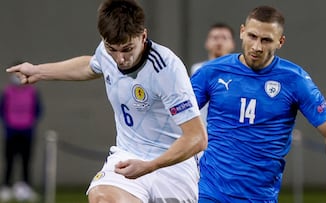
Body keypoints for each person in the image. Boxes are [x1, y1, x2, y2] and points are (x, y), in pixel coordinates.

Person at [6, 0, 207, 202]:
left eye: (127, 49)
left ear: (143, 36)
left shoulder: (167, 70)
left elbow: (197, 138)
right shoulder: (106, 52)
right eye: (112, 49)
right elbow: (90, 66)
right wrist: (38, 71)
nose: (119, 58)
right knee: (103, 198)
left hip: (172, 165)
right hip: (128, 154)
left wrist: (150, 166)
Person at [191, 5, 326, 203]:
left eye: (266, 40)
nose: (257, 47)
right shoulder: (211, 72)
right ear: (242, 32)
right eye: (252, 36)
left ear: (280, 41)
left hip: (260, 197)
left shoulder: (295, 79)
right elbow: (174, 118)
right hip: (209, 192)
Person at [0, 70, 42, 202]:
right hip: (11, 132)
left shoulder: (32, 92)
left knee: (26, 162)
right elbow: (2, 110)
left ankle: (25, 187)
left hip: (27, 132)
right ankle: (6, 187)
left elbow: (38, 110)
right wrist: (9, 124)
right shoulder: (7, 92)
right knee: (9, 161)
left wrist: (29, 123)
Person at [190, 23, 235, 127]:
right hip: (202, 131)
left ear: (232, 44)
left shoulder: (238, 73)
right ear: (207, 43)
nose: (219, 42)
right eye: (215, 38)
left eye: (224, 38)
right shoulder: (197, 70)